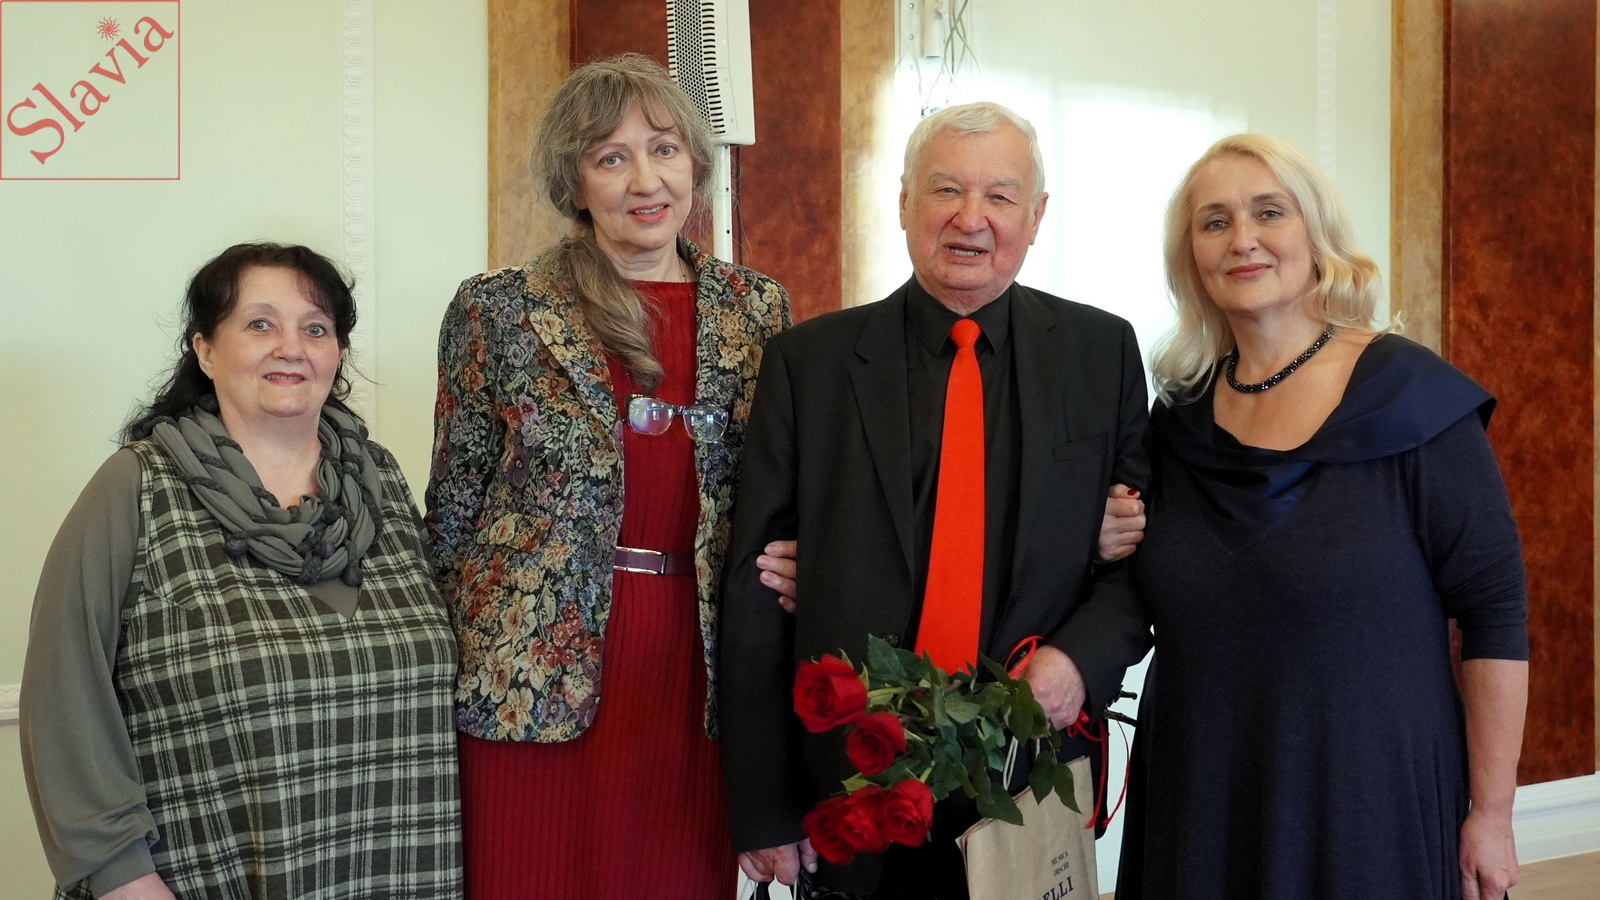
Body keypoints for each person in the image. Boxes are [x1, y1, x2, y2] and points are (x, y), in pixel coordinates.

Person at [718, 101, 1152, 900]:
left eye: (1000, 196)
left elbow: (1142, 564)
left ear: (1036, 215)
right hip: (853, 778)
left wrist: (1078, 661)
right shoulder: (809, 365)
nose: (970, 217)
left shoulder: (1102, 353)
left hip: (1028, 773)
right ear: (904, 203)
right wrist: (763, 804)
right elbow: (753, 594)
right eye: (946, 189)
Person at [1115, 133, 1528, 900]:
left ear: (1316, 234)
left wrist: (1493, 813)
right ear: (1191, 257)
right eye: (1214, 222)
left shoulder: (1413, 398)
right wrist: (1110, 535)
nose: (1242, 239)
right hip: (1201, 795)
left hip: (1365, 803)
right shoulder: (1174, 422)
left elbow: (1494, 612)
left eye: (1269, 212)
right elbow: (1139, 589)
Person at [424, 53, 791, 898]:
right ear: (575, 180)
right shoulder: (498, 309)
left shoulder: (757, 309)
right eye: (612, 157)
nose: (645, 180)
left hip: (693, 670)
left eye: (664, 149)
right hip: (527, 672)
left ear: (694, 163)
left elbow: (776, 495)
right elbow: (453, 509)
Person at [20, 243, 463, 899]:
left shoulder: (382, 482)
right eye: (260, 324)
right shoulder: (137, 487)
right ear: (204, 349)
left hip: (401, 872)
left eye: (316, 328)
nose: (291, 347)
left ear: (338, 352)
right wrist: (122, 881)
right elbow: (63, 693)